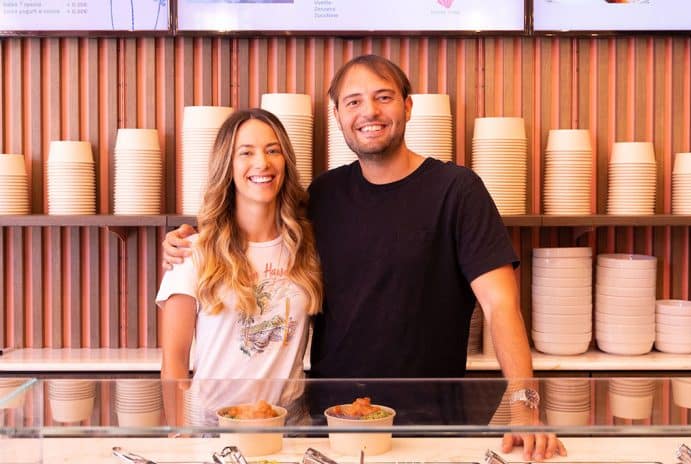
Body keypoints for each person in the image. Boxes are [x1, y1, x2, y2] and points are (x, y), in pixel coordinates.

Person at [162, 55, 566, 460]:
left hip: (429, 427)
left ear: (408, 106)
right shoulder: (323, 197)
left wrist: (525, 405)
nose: (369, 111)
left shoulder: (457, 192)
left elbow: (500, 305)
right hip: (328, 428)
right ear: (338, 115)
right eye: (353, 101)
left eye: (383, 97)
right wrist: (191, 238)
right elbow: (254, 212)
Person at [156, 108, 322, 426]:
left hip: (289, 429)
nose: (262, 163)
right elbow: (174, 362)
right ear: (227, 166)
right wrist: (178, 438)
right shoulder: (192, 252)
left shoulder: (308, 249)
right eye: (246, 152)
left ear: (286, 161)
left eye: (273, 150)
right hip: (212, 430)